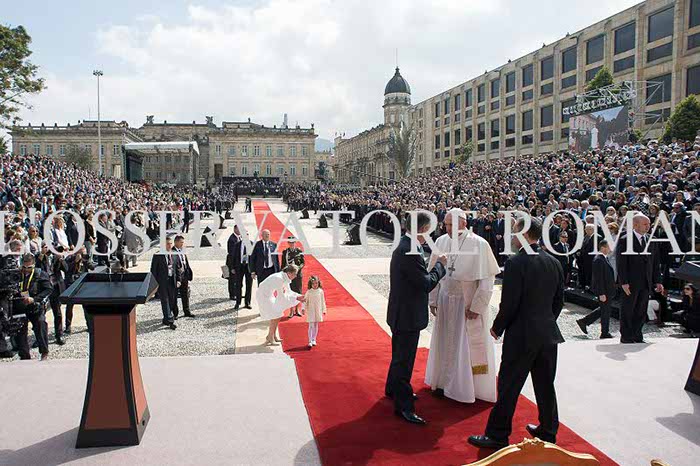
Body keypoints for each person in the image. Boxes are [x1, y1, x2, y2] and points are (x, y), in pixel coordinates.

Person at [469, 217, 564, 449]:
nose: (511, 236)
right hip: (547, 335)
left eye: (514, 232)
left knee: (509, 386)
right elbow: (558, 302)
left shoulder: (516, 262)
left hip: (522, 336)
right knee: (545, 385)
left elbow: (510, 303)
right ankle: (548, 431)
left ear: (524, 234)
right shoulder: (554, 262)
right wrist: (545, 322)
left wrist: (497, 327)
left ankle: (497, 435)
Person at [425, 208, 500, 403]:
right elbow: (432, 271)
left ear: (464, 224)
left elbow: (487, 280)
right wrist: (433, 299)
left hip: (466, 304)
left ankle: (466, 388)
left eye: (451, 224)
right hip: (445, 300)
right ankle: (443, 383)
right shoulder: (441, 241)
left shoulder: (479, 244)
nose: (447, 228)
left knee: (466, 346)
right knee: (445, 343)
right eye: (446, 224)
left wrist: (477, 306)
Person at [385, 212, 447, 425]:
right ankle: (404, 407)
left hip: (401, 311)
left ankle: (392, 389)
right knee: (404, 360)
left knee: (399, 354)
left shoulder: (407, 244)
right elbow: (425, 283)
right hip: (407, 315)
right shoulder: (410, 249)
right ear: (422, 229)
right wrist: (440, 266)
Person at [615, 213, 663, 344]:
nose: (648, 226)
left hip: (646, 282)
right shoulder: (625, 239)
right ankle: (626, 336)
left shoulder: (651, 240)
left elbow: (655, 263)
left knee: (641, 310)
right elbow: (621, 263)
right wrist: (624, 282)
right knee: (628, 309)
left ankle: (637, 335)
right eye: (645, 224)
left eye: (649, 224)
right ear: (635, 225)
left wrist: (658, 281)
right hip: (630, 282)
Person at [14, 253, 53, 360]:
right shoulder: (17, 274)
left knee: (40, 325)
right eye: (24, 267)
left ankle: (44, 351)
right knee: (20, 330)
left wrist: (35, 299)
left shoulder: (40, 274)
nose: (26, 270)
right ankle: (24, 355)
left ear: (34, 265)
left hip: (35, 305)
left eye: (29, 267)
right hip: (21, 306)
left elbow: (48, 289)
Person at [256, 264, 305, 345]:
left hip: (268, 294)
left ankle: (273, 336)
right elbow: (282, 296)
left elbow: (288, 292)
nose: (296, 276)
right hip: (263, 295)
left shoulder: (284, 277)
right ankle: (270, 337)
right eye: (294, 274)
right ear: (289, 273)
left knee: (277, 315)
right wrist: (296, 298)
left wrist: (298, 296)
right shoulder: (279, 279)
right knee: (276, 315)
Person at [576, 240, 616, 339]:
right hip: (604, 291)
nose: (610, 249)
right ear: (603, 248)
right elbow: (598, 278)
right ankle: (604, 333)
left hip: (607, 290)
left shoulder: (603, 258)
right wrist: (601, 293)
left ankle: (584, 321)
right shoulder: (599, 259)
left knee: (604, 310)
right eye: (609, 247)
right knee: (605, 312)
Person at [150, 236, 180, 330]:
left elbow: (177, 268)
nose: (169, 246)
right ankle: (170, 320)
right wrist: (154, 285)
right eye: (167, 244)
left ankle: (167, 318)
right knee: (165, 300)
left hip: (172, 281)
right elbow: (153, 271)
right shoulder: (157, 256)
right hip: (162, 282)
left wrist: (178, 280)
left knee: (171, 300)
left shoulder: (174, 254)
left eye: (171, 244)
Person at [282, 237, 305, 317]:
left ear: (295, 243)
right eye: (290, 242)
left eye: (293, 242)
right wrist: (284, 273)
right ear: (288, 243)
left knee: (298, 292)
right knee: (290, 292)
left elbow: (303, 262)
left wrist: (298, 268)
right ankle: (291, 310)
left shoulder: (299, 251)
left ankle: (297, 309)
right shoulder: (285, 252)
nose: (292, 244)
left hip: (298, 275)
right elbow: (283, 264)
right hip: (289, 276)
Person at [173, 235, 195, 318]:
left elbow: (185, 262)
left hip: (184, 275)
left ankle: (187, 311)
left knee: (185, 294)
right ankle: (175, 313)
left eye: (183, 242)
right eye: (181, 242)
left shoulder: (182, 251)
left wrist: (188, 273)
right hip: (177, 277)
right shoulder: (172, 252)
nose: (182, 244)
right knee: (174, 295)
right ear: (176, 242)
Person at [303, 275, 327, 348]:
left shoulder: (320, 291)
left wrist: (324, 309)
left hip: (318, 310)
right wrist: (303, 308)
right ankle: (310, 340)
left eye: (316, 283)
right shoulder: (309, 292)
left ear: (318, 283)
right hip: (311, 310)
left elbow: (323, 301)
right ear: (310, 284)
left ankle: (314, 339)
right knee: (311, 325)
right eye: (313, 283)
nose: (315, 285)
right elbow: (305, 300)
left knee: (316, 324)